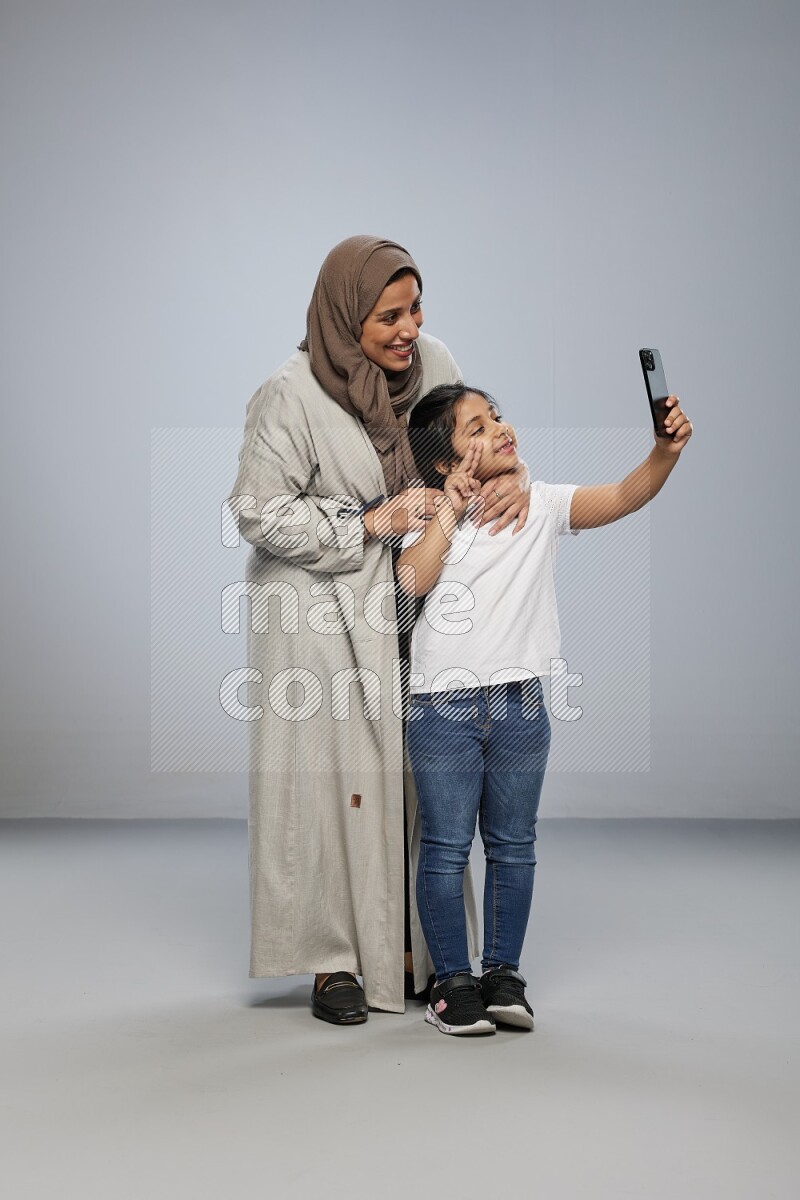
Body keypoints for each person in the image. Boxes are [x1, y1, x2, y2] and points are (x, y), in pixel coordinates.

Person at [228, 236, 531, 1023]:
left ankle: (413, 949)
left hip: (414, 595)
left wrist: (515, 472)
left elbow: (473, 435)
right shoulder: (289, 393)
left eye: (414, 308)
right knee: (328, 783)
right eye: (386, 315)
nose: (407, 328)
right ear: (343, 314)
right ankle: (333, 963)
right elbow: (258, 512)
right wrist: (371, 520)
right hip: (316, 605)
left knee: (413, 772)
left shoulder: (432, 361)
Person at [397, 381, 693, 1035]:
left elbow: (621, 496)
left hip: (521, 703)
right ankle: (452, 982)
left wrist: (664, 453)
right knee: (445, 847)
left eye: (497, 416)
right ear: (445, 462)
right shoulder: (429, 514)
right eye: (475, 427)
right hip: (441, 703)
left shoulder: (540, 504)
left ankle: (502, 974)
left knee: (513, 844)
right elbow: (412, 580)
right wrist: (450, 508)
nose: (499, 428)